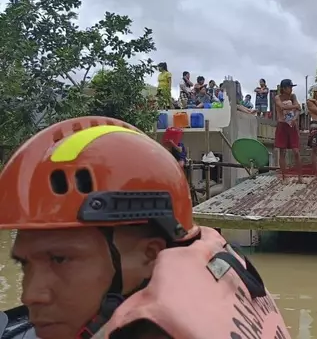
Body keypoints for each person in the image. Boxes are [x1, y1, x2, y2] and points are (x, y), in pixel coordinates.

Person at [0, 116, 289, 339]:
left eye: (59, 259)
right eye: (25, 265)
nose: (30, 296)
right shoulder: (218, 279)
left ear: (152, 254)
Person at [274, 79, 303, 183]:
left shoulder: (293, 96)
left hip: (292, 125)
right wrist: (295, 106)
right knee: (282, 151)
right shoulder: (278, 97)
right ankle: (284, 176)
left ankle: (300, 177)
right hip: (282, 124)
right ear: (284, 88)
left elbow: (298, 109)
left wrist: (295, 117)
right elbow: (281, 107)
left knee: (296, 151)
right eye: (289, 87)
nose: (291, 89)